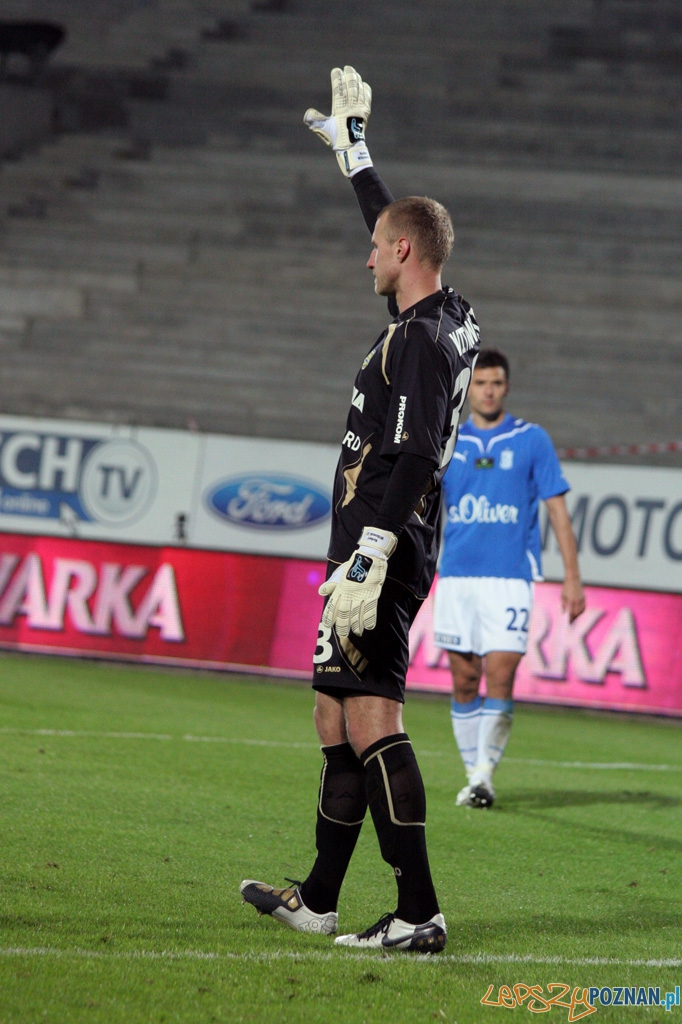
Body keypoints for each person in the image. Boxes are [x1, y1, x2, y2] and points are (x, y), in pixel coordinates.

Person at [240, 66, 480, 951]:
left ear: (404, 257)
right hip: (376, 545)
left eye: (377, 248)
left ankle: (419, 911)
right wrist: (358, 161)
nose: (367, 255)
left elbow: (415, 451)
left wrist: (372, 552)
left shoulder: (417, 340)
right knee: (334, 716)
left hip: (382, 548)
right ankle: (321, 899)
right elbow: (405, 231)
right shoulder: (451, 314)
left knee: (372, 717)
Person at [432, 346, 585, 809]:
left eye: (496, 383)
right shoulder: (449, 441)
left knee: (499, 674)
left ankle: (483, 778)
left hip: (510, 578)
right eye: (480, 383)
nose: (488, 391)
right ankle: (472, 772)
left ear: (506, 386)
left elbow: (557, 509)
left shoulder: (532, 439)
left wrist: (572, 576)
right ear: (469, 389)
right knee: (463, 679)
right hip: (457, 576)